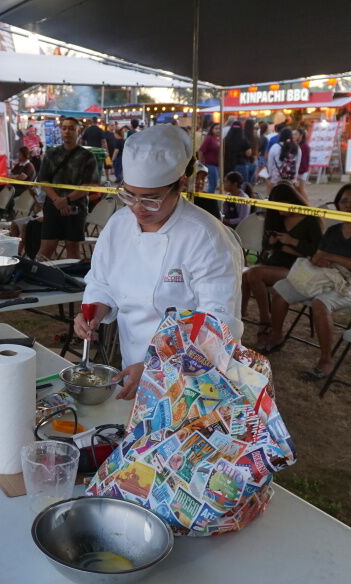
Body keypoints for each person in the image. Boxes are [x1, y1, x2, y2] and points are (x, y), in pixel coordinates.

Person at [76, 124, 244, 400]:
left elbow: (218, 325)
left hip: (193, 376)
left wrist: (159, 367)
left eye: (151, 199)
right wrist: (92, 312)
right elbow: (102, 282)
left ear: (180, 184)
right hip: (132, 366)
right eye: (129, 195)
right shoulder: (119, 225)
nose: (138, 208)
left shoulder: (206, 237)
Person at [260, 183, 351, 377]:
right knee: (281, 289)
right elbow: (317, 256)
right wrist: (322, 260)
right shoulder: (334, 231)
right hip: (324, 278)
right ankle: (276, 336)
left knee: (321, 304)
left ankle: (326, 360)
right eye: (344, 201)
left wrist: (334, 258)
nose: (349, 205)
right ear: (338, 204)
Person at [242, 182, 322, 341]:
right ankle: (241, 314)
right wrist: (271, 243)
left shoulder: (310, 220)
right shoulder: (276, 217)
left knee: (253, 273)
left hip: (299, 268)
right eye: (275, 207)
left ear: (291, 201)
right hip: (275, 262)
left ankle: (265, 319)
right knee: (246, 276)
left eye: (281, 206)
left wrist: (292, 242)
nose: (278, 211)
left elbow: (318, 253)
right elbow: (266, 247)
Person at [35, 117, 98, 260]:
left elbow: (89, 185)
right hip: (52, 205)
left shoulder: (87, 156)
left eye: (71, 128)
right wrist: (58, 200)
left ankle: (71, 279)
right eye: (64, 128)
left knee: (73, 248)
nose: (67, 131)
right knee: (46, 247)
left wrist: (67, 200)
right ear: (60, 131)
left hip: (76, 207)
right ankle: (38, 278)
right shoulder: (51, 154)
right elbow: (44, 181)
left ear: (78, 131)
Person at [265, 127, 301, 191]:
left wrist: (270, 175)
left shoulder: (275, 147)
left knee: (276, 195)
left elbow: (270, 163)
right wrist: (295, 176)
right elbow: (297, 163)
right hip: (290, 177)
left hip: (277, 177)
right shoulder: (297, 148)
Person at [197, 123, 221, 192]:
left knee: (213, 184)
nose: (218, 130)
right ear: (212, 129)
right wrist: (201, 161)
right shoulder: (209, 138)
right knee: (213, 184)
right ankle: (209, 199)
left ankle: (210, 197)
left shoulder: (217, 139)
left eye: (219, 129)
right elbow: (201, 150)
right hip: (210, 164)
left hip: (215, 165)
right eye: (216, 129)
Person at [294, 127, 312, 194]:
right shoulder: (297, 144)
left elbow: (304, 161)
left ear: (301, 135)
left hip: (302, 171)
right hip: (298, 171)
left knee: (301, 189)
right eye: (294, 134)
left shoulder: (304, 146)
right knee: (298, 189)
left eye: (296, 134)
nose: (294, 136)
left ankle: (306, 203)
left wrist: (299, 172)